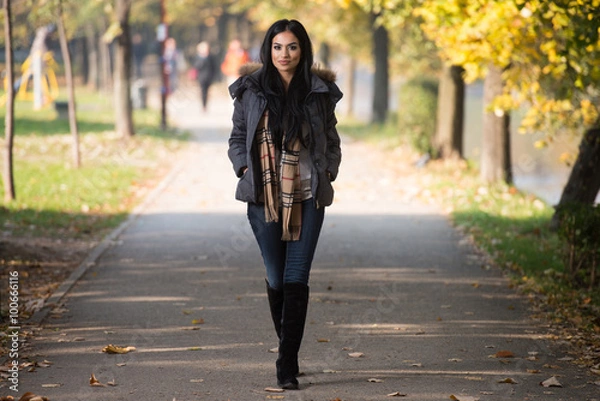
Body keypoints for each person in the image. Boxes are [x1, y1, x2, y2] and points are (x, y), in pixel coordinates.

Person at [227, 19, 342, 390]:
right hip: (264, 199)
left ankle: (286, 364)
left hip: (309, 196)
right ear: (268, 49)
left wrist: (329, 169)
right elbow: (237, 137)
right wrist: (243, 166)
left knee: (296, 278)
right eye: (278, 47)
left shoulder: (319, 91)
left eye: (292, 47)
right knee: (276, 277)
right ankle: (287, 349)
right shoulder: (251, 90)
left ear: (302, 49)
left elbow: (331, 138)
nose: (284, 54)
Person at [193, 41, 218, 112]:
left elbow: (214, 67)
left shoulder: (211, 57)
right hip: (201, 77)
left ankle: (205, 104)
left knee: (207, 91)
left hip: (209, 77)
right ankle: (203, 105)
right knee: (203, 91)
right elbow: (196, 67)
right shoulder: (198, 57)